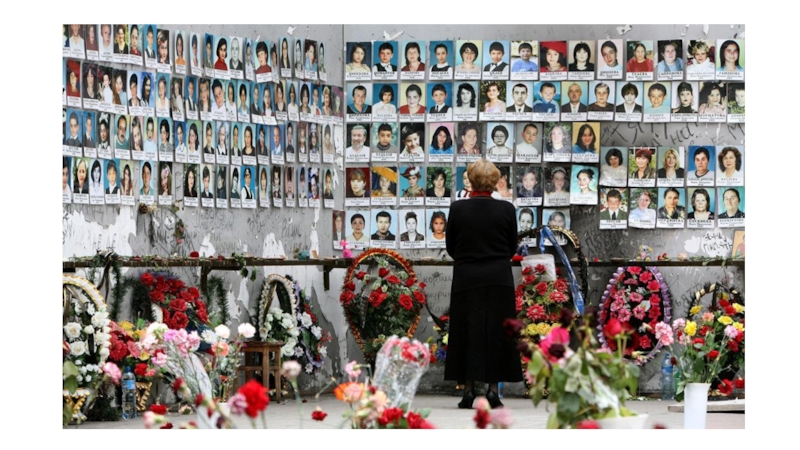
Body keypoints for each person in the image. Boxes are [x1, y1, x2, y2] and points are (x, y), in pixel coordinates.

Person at [445, 158, 520, 409]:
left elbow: (451, 246)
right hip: (498, 278)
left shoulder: (458, 209)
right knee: (496, 332)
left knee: (466, 331)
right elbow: (512, 246)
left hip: (466, 277)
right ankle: (492, 391)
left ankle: (467, 391)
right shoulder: (506, 209)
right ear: (494, 181)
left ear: (471, 180)